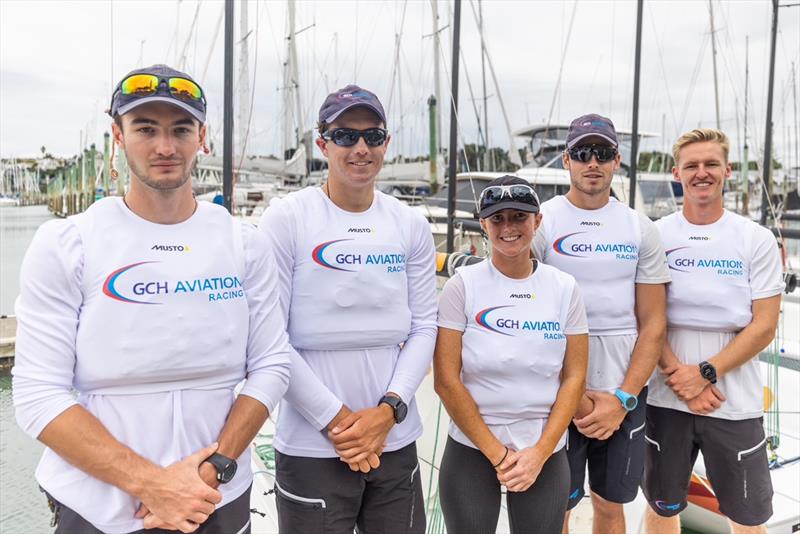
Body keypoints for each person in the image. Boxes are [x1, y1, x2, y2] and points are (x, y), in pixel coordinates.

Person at [12, 64, 292, 534]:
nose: (165, 147)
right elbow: (38, 395)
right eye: (146, 129)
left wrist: (214, 468)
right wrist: (153, 485)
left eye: (181, 129)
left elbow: (272, 364)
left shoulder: (243, 243)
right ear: (118, 136)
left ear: (202, 137)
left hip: (217, 495)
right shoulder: (69, 244)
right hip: (100, 508)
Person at [258, 85, 437, 534]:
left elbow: (423, 328)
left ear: (386, 144)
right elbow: (269, 337)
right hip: (312, 445)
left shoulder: (409, 224)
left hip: (394, 438)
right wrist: (337, 422)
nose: (360, 148)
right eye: (344, 136)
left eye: (372, 136)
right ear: (322, 144)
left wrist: (388, 411)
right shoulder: (288, 219)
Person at [531, 114, 670, 534]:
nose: (593, 162)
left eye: (603, 153)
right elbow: (525, 313)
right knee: (556, 508)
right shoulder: (541, 222)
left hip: (622, 394)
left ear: (617, 161)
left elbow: (653, 324)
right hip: (555, 391)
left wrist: (623, 398)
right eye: (583, 153)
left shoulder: (638, 227)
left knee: (612, 508)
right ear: (566, 161)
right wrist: (574, 398)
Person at [643, 129, 784, 534]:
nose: (701, 173)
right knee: (662, 506)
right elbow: (646, 317)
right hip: (666, 396)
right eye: (691, 165)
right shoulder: (657, 235)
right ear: (677, 173)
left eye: (710, 164)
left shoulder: (754, 239)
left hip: (734, 400)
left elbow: (765, 325)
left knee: (747, 516)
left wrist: (704, 373)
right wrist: (681, 378)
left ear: (727, 170)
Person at [433, 175, 589, 533]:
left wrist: (539, 453)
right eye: (497, 218)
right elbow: (446, 380)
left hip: (543, 450)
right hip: (472, 447)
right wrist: (498, 454)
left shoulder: (564, 289)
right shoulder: (462, 287)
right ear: (484, 224)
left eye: (519, 217)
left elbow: (575, 376)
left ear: (537, 221)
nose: (508, 227)